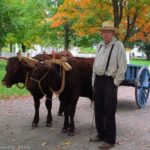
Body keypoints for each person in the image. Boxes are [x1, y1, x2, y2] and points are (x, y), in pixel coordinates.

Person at [91, 21, 127, 149]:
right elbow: (95, 65)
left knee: (109, 111)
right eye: (104, 32)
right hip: (98, 81)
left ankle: (110, 140)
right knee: (98, 109)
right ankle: (101, 134)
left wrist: (115, 82)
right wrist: (93, 81)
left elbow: (122, 67)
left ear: (112, 33)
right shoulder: (100, 45)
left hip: (109, 82)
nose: (105, 34)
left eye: (108, 32)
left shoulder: (118, 46)